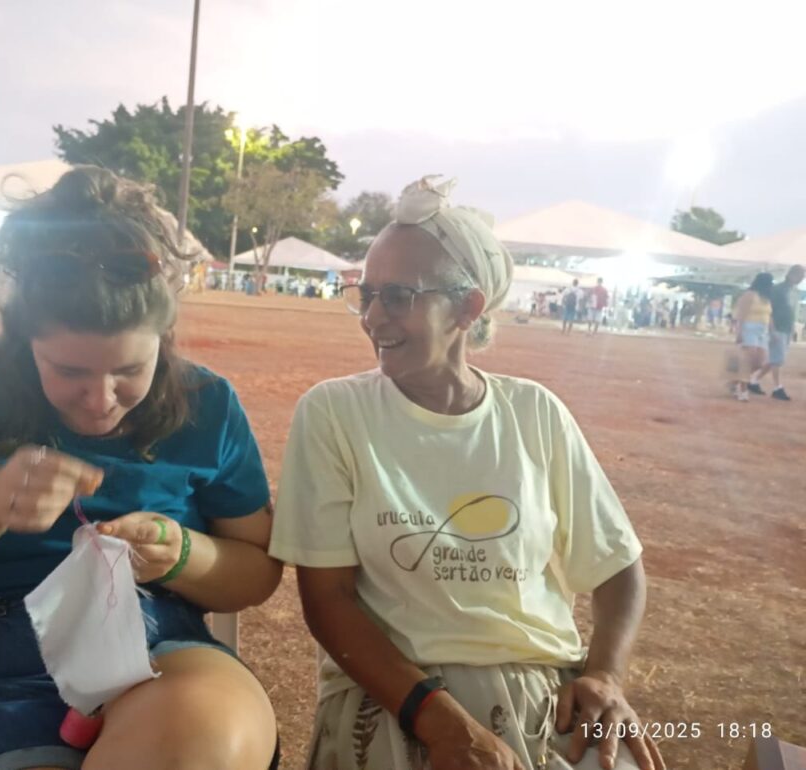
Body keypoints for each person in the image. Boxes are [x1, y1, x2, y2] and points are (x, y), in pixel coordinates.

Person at [0, 166, 282, 770]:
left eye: (129, 370)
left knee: (198, 734)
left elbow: (256, 572)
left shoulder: (207, 403)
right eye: (69, 372)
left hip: (163, 655)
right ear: (23, 341)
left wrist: (180, 553)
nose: (100, 400)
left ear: (165, 335)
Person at [270, 176, 664, 770]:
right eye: (367, 293)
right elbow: (328, 602)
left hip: (545, 692)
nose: (373, 316)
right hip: (400, 696)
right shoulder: (336, 413)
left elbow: (619, 568)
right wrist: (446, 726)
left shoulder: (535, 413)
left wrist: (606, 673)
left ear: (468, 305)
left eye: (398, 296)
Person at [751, 264, 803, 401]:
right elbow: (770, 310)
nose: (802, 279)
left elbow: (790, 311)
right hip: (778, 327)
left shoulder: (793, 291)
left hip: (785, 327)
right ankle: (777, 387)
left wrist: (791, 327)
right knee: (778, 359)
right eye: (800, 276)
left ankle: (753, 380)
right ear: (792, 274)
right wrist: (772, 329)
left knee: (775, 359)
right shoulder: (778, 290)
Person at [732, 272, 773, 402]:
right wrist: (739, 332)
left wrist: (772, 331)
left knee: (760, 361)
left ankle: (738, 381)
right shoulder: (749, 295)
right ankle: (742, 389)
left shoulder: (766, 298)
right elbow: (741, 314)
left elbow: (769, 316)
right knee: (748, 360)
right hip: (749, 328)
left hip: (762, 330)